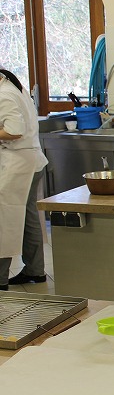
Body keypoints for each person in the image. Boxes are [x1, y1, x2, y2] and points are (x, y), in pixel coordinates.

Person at [0, 69, 49, 291]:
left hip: (18, 164)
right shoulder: (13, 87)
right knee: (28, 217)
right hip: (30, 161)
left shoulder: (5, 94)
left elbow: (14, 131)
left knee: (6, 218)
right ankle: (35, 270)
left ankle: (1, 278)